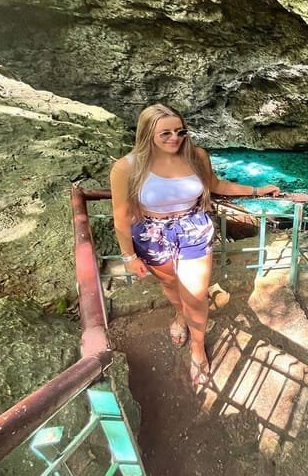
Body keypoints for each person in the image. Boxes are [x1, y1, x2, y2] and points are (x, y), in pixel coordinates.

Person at [110, 103, 280, 387]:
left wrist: (256, 190)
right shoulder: (126, 167)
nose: (175, 138)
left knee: (196, 295)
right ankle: (180, 315)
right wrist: (129, 256)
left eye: (180, 131)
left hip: (193, 229)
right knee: (170, 285)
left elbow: (216, 185)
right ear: (147, 133)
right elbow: (122, 215)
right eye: (165, 133)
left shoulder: (196, 155)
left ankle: (197, 348)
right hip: (151, 233)